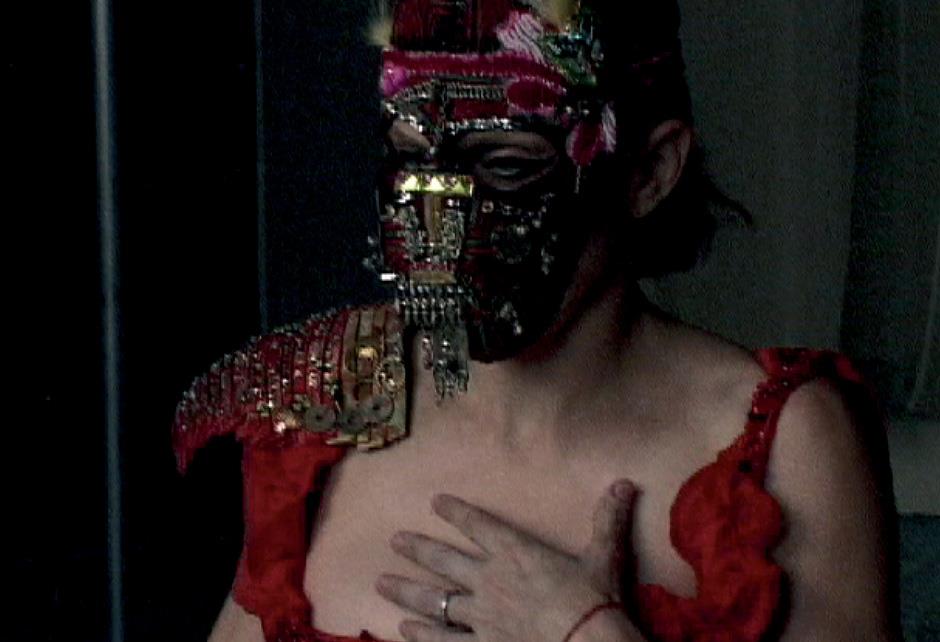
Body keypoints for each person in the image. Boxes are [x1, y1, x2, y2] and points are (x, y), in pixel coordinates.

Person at [173, 1, 901, 640]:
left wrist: (590, 635)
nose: (437, 226)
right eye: (408, 156)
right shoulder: (329, 396)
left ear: (649, 173)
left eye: (507, 164)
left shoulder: (784, 446)